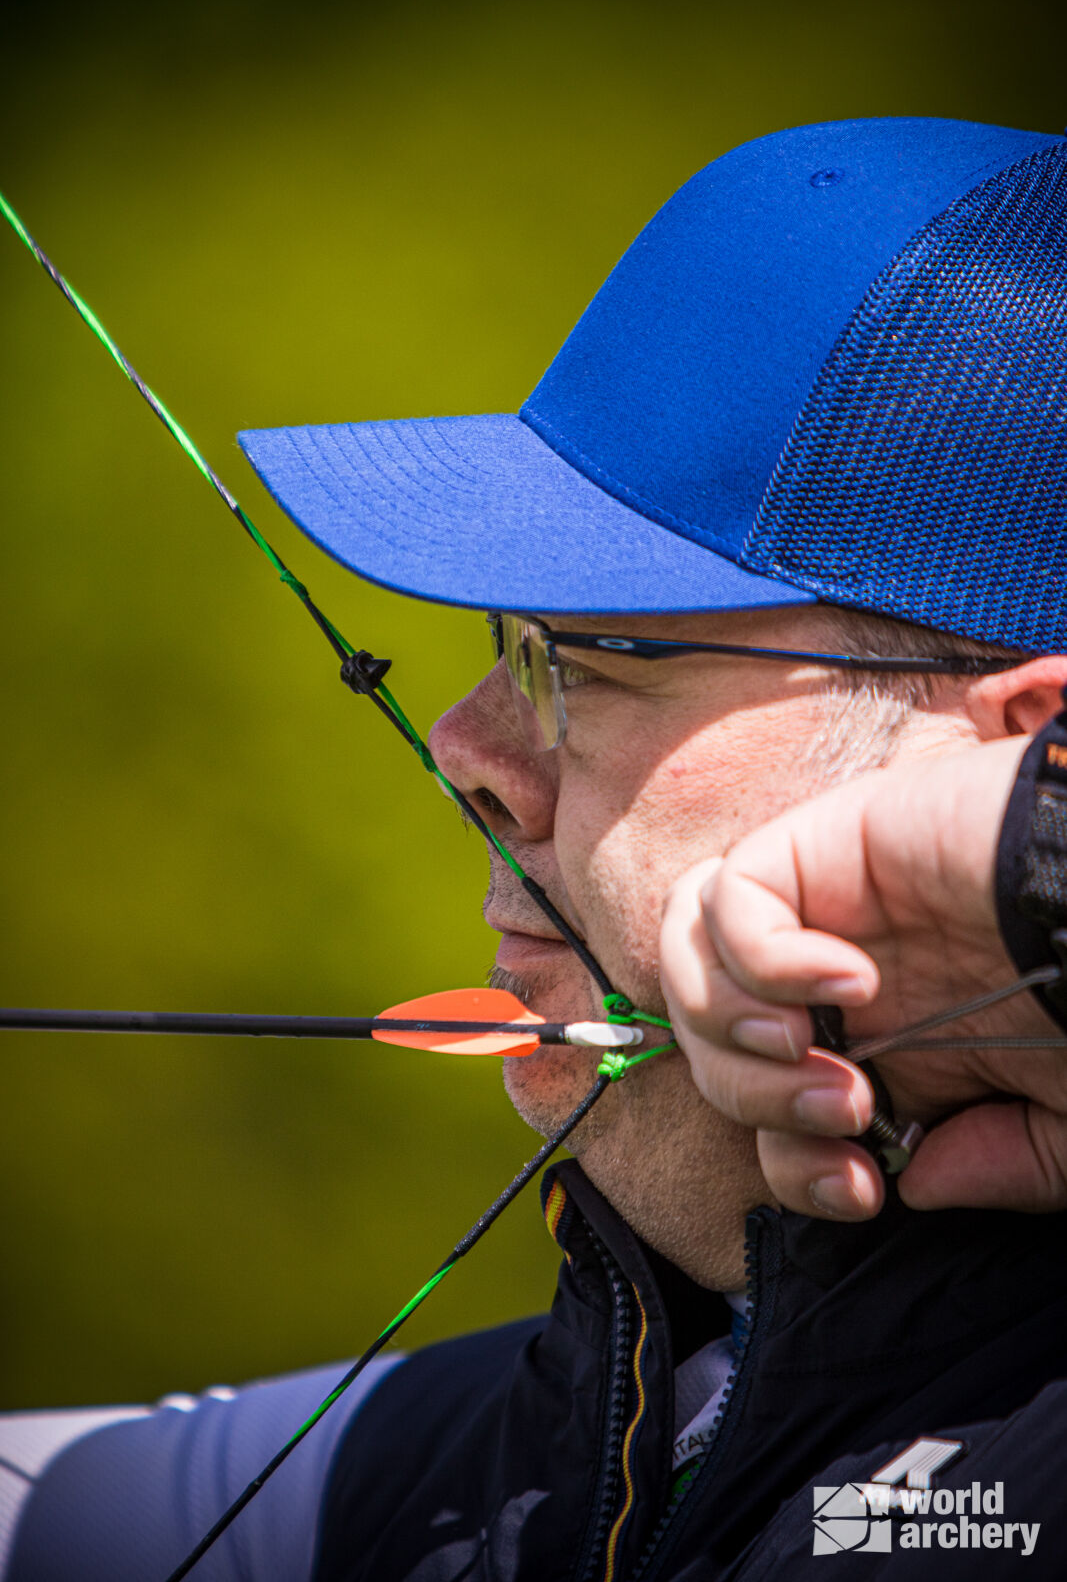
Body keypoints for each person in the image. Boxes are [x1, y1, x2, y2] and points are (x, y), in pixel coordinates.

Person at [4, 114, 1067, 1579]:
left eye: (603, 659)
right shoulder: (413, 1484)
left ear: (1007, 758)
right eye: (511, 642)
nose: (466, 750)